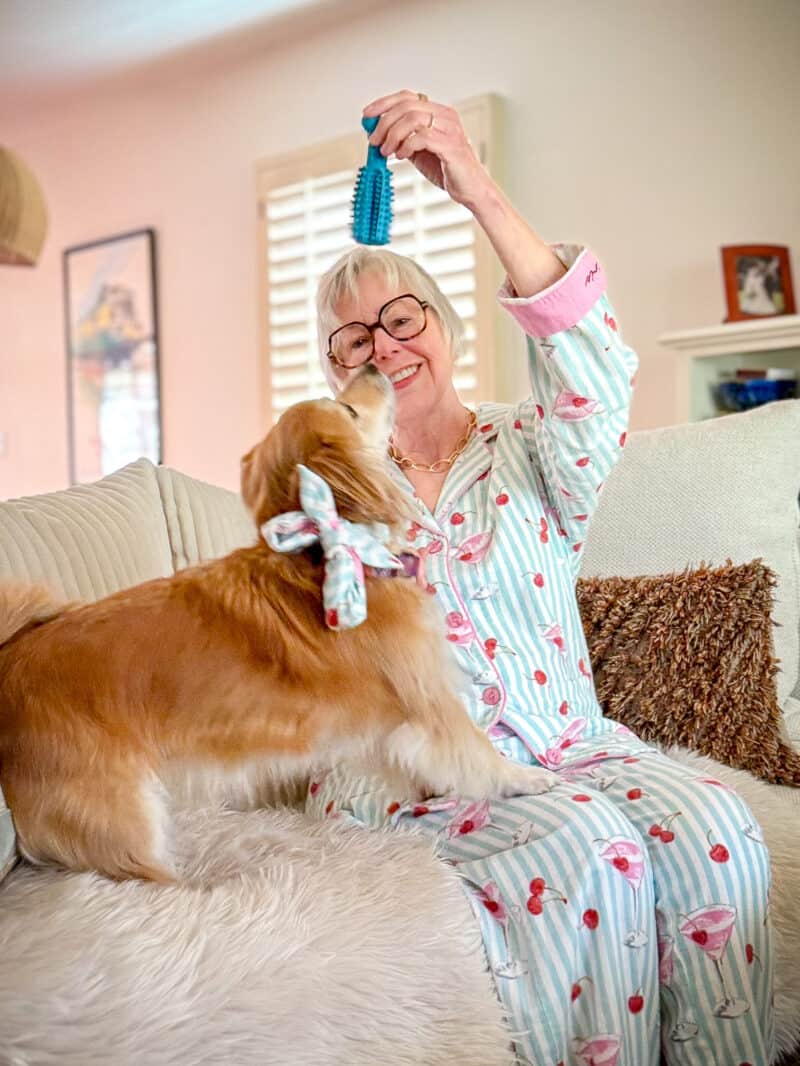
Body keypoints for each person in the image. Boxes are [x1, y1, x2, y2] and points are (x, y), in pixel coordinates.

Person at [306, 89, 773, 1065]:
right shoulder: (330, 491)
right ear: (335, 370)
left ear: (442, 325)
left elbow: (596, 369)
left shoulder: (531, 449)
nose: (385, 348)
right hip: (416, 777)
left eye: (401, 319)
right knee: (592, 854)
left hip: (570, 750)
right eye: (356, 342)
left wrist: (473, 189)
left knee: (714, 826)